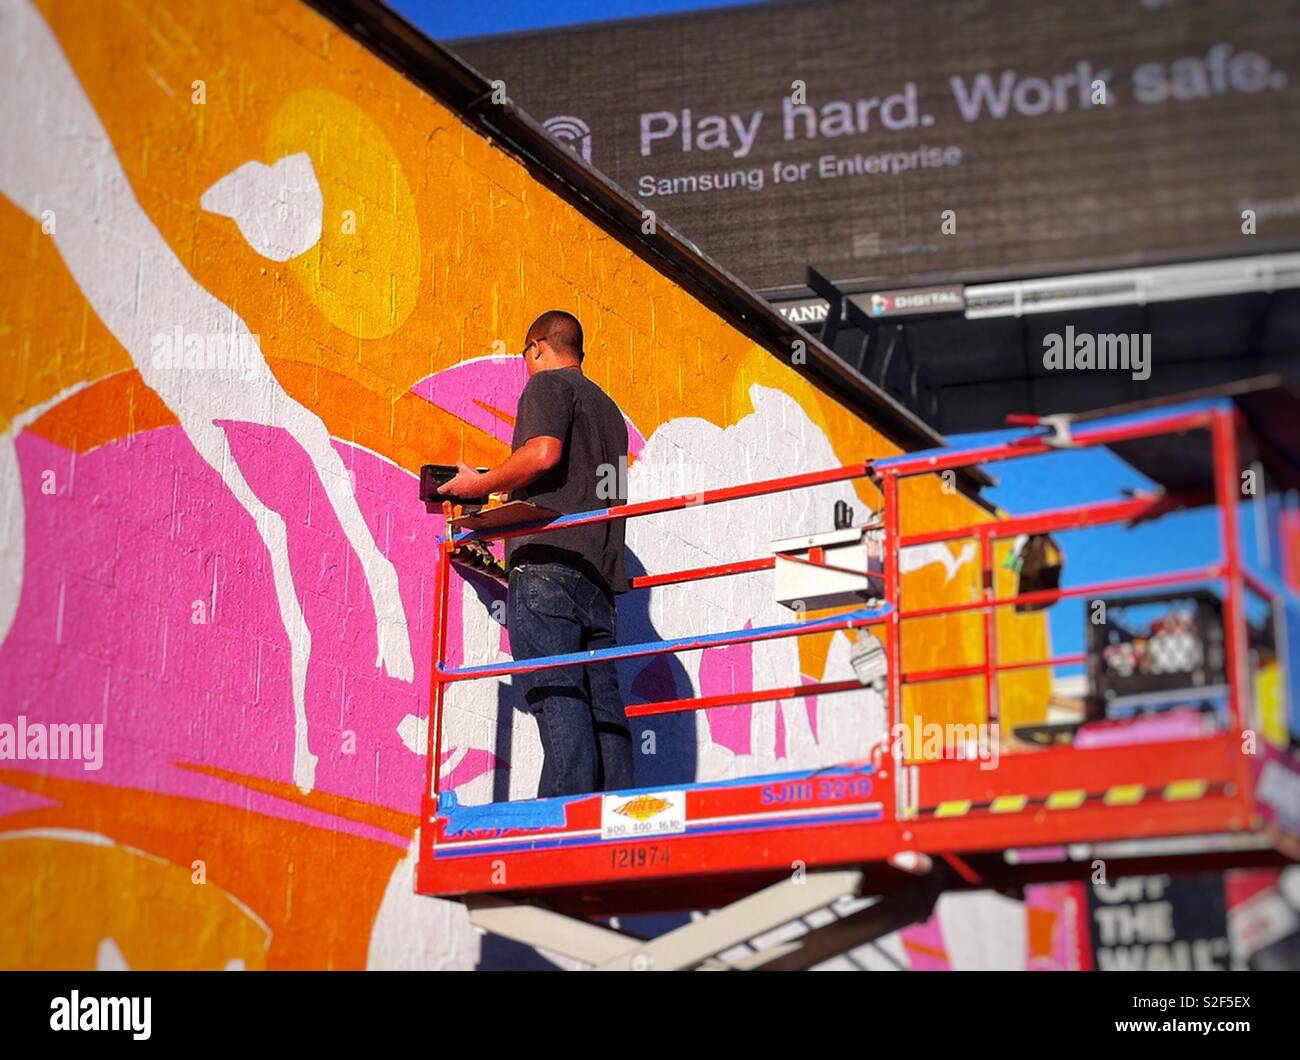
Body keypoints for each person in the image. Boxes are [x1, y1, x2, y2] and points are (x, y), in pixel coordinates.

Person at [438, 310, 634, 797]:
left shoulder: (549, 386)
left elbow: (543, 453)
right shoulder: (611, 415)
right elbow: (606, 492)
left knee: (558, 696)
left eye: (525, 356)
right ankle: (615, 814)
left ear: (538, 346)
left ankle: (562, 827)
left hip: (547, 568)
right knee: (600, 705)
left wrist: (478, 486)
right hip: (598, 582)